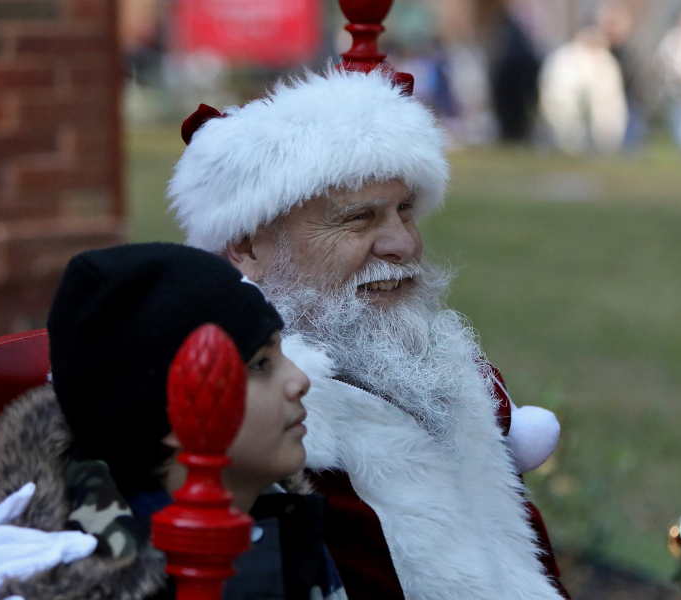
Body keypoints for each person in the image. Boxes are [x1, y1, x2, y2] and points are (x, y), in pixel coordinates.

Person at [169, 67, 566, 600]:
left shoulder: (434, 364)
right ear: (247, 246)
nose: (402, 244)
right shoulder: (253, 433)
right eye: (359, 219)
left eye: (405, 210)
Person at [0, 243, 346, 600]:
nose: (300, 380)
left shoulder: (283, 518)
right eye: (260, 364)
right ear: (171, 412)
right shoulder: (73, 579)